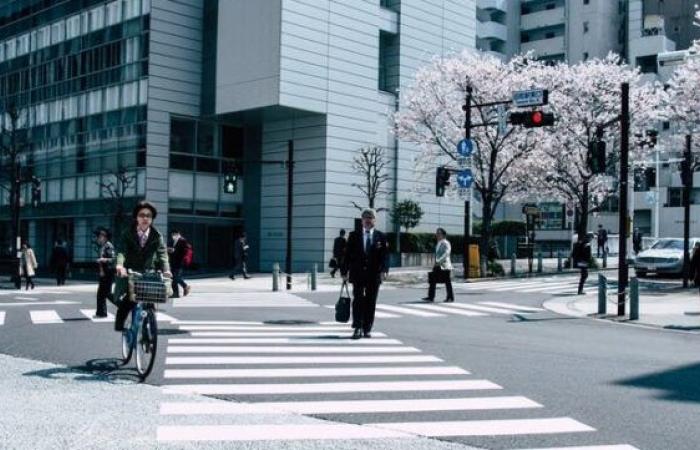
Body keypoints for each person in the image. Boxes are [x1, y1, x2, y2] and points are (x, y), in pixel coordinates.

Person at [113, 201, 171, 331]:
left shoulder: (157, 236)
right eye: (141, 215)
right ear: (136, 217)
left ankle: (148, 331)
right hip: (130, 272)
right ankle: (119, 324)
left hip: (148, 272)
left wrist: (166, 270)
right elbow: (121, 251)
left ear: (152, 219)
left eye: (148, 216)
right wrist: (120, 266)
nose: (145, 218)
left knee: (151, 300)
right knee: (129, 299)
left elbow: (163, 254)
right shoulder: (127, 233)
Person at [341, 208, 389, 339]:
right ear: (361, 220)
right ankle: (357, 327)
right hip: (357, 273)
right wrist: (344, 271)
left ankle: (367, 328)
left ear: (374, 220)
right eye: (365, 217)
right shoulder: (354, 235)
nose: (367, 220)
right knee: (357, 300)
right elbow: (347, 255)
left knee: (370, 301)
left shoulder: (381, 236)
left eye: (370, 217)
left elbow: (385, 256)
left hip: (374, 275)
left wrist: (384, 270)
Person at [423, 228, 454, 302]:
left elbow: (446, 253)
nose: (437, 235)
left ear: (443, 235)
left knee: (447, 281)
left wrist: (439, 261)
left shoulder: (445, 243)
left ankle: (450, 297)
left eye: (439, 233)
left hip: (444, 265)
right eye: (437, 233)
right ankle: (431, 297)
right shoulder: (439, 243)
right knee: (432, 280)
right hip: (438, 265)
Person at [95, 227, 115, 318]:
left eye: (100, 236)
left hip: (109, 272)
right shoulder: (102, 247)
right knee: (101, 294)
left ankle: (123, 305)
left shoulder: (109, 246)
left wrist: (103, 259)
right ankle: (101, 312)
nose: (98, 238)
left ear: (105, 237)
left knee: (107, 293)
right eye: (98, 236)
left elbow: (114, 259)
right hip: (104, 273)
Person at [168, 229, 191, 298]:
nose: (173, 236)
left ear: (178, 234)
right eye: (172, 235)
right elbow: (170, 248)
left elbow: (185, 251)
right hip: (172, 262)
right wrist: (169, 250)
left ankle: (184, 286)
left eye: (174, 234)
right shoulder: (172, 241)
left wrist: (174, 251)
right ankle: (176, 293)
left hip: (179, 262)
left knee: (175, 277)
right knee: (173, 277)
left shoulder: (183, 241)